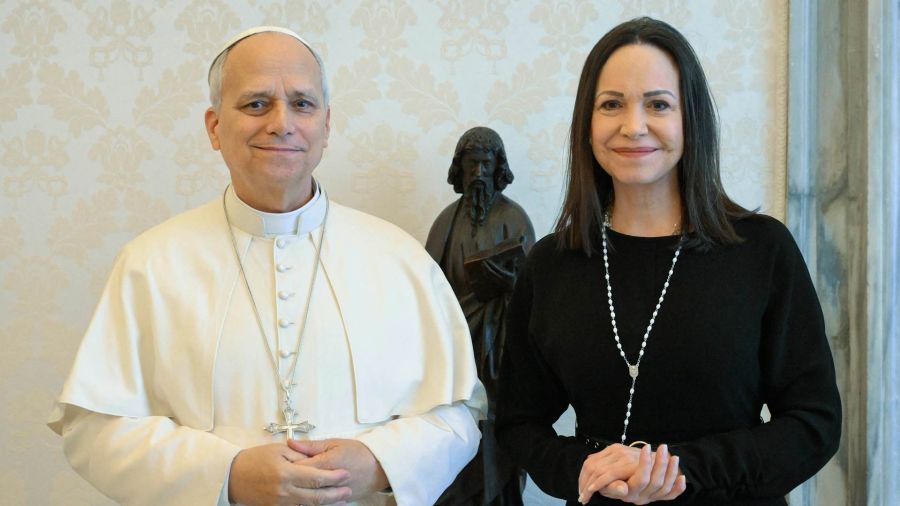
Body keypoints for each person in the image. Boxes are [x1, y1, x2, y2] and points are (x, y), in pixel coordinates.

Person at [48, 26, 486, 506]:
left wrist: (380, 462)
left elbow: (459, 413)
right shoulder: (149, 263)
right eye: (256, 104)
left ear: (326, 125)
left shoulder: (399, 258)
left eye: (302, 103)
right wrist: (224, 474)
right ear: (214, 127)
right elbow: (93, 429)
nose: (282, 122)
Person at [495, 16, 841, 506]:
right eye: (611, 104)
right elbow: (518, 422)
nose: (633, 126)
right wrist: (585, 469)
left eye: (658, 104)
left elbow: (813, 424)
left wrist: (678, 470)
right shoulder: (551, 264)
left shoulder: (762, 250)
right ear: (587, 124)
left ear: (690, 118)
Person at [425, 127, 534, 505]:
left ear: (498, 167)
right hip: (455, 347)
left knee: (499, 431)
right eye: (472, 164)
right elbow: (428, 286)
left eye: (486, 164)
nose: (478, 173)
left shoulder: (515, 219)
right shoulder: (446, 221)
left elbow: (531, 289)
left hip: (500, 348)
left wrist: (506, 283)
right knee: (455, 430)